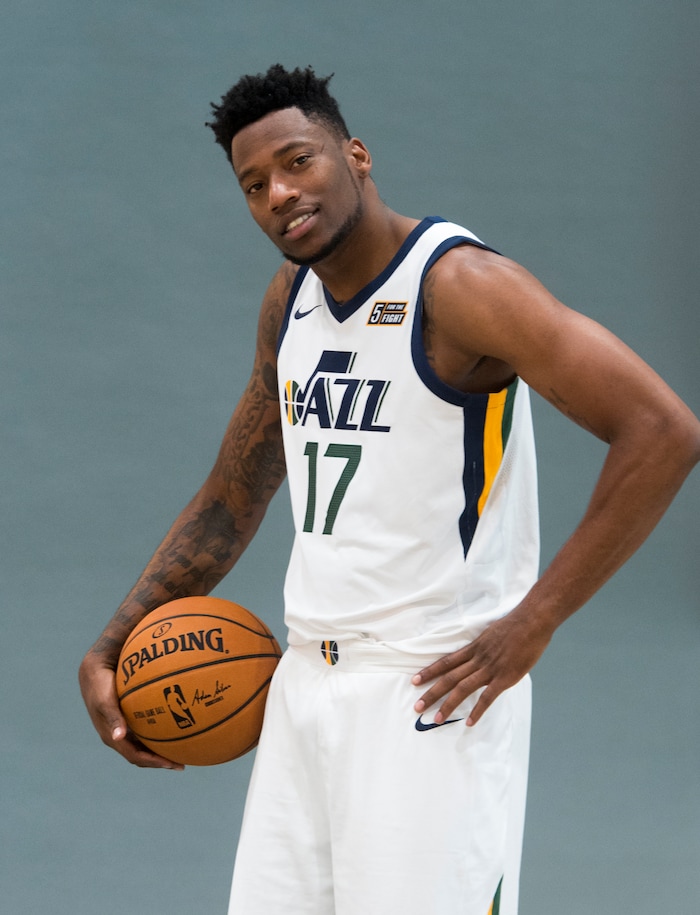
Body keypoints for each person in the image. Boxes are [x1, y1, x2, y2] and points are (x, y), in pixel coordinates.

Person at [79, 64, 700, 915]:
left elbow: (663, 430)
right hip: (303, 683)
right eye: (254, 184)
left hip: (431, 690)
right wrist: (112, 642)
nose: (279, 194)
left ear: (356, 155)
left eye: (298, 161)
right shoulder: (290, 300)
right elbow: (235, 491)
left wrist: (536, 619)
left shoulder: (460, 286)